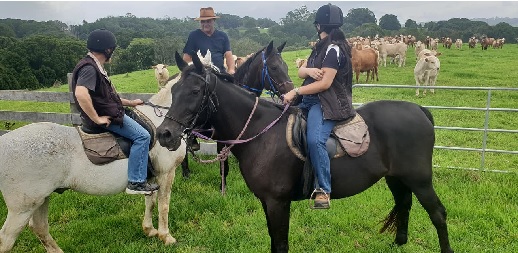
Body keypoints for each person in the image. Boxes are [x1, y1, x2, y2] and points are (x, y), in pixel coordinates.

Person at [283, 4, 356, 209]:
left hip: (326, 103)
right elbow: (300, 72)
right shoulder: (320, 46)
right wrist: (309, 70)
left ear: (319, 25)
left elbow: (324, 84)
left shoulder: (333, 49)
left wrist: (295, 91)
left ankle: (323, 189)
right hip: (310, 99)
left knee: (315, 140)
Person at [72, 28, 160, 195]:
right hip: (107, 118)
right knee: (143, 136)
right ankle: (135, 182)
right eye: (112, 49)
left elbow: (108, 98)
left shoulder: (93, 65)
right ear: (108, 50)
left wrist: (131, 103)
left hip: (109, 112)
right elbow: (80, 93)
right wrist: (97, 118)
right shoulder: (90, 68)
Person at [183, 7, 236, 75]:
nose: (205, 24)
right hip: (201, 75)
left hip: (220, 74)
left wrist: (231, 70)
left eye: (208, 21)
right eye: (203, 21)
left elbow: (229, 56)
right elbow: (186, 58)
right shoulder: (194, 36)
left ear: (213, 21)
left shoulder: (223, 36)